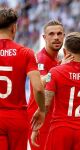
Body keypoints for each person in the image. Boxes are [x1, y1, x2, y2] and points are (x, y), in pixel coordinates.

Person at [31, 32, 80, 150]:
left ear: (65, 52)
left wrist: (37, 125)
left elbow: (46, 104)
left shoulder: (55, 72)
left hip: (61, 128)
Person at [0, 8, 45, 150]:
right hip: (17, 118)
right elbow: (38, 88)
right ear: (14, 28)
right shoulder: (26, 53)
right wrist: (42, 110)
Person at [27, 20, 73, 149]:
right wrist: (60, 68)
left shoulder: (57, 60)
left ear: (64, 36)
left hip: (52, 119)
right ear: (44, 37)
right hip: (39, 119)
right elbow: (41, 82)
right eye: (51, 34)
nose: (56, 37)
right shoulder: (41, 58)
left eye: (59, 34)